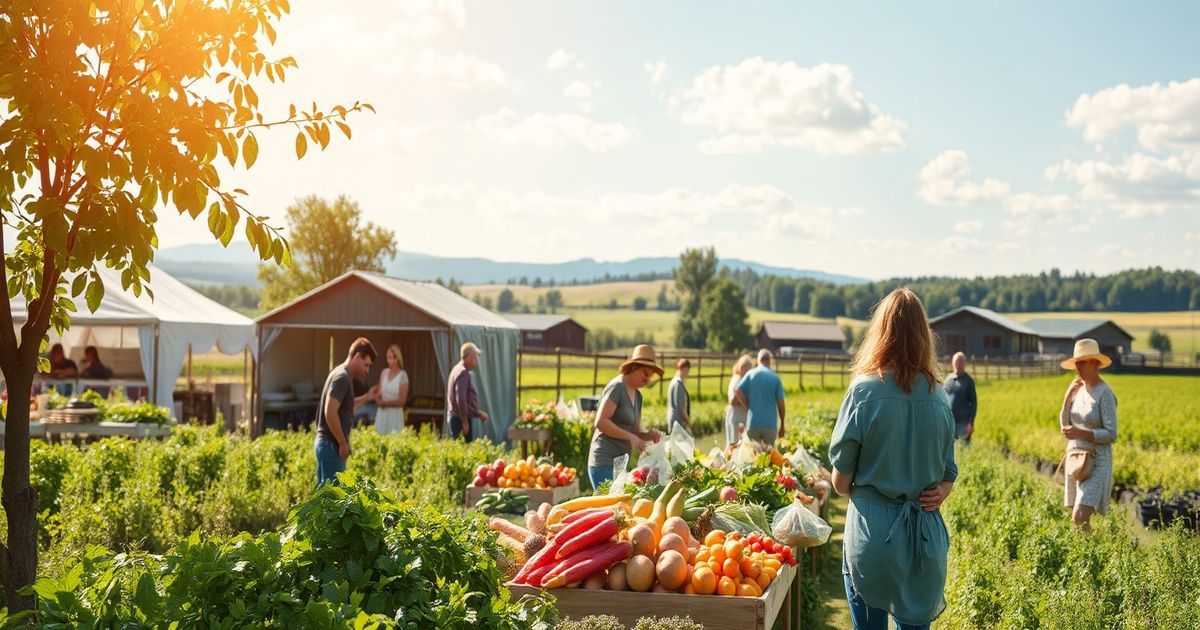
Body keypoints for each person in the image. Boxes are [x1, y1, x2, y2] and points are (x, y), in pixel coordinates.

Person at [829, 288, 957, 630]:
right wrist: (940, 490)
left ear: (881, 332)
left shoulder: (864, 391)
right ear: (922, 335)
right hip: (923, 540)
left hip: (874, 538)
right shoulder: (940, 396)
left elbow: (841, 484)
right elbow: (948, 474)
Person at [1059, 338, 1118, 533]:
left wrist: (1082, 433)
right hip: (1077, 459)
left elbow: (1111, 433)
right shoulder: (1078, 390)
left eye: (1082, 362)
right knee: (1076, 518)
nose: (1078, 367)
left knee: (1080, 515)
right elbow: (1064, 426)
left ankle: (1092, 556)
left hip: (1097, 460)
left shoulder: (1105, 393)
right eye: (1077, 363)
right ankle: (1089, 554)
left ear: (1095, 363)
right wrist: (1068, 397)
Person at [586, 344, 664, 489]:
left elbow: (634, 431)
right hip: (604, 461)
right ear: (634, 367)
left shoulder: (638, 396)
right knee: (610, 509)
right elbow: (601, 421)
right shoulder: (617, 387)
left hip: (621, 464)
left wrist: (649, 435)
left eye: (651, 376)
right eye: (646, 373)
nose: (648, 380)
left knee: (619, 509)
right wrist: (630, 437)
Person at [314, 337, 377, 486]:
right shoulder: (342, 377)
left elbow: (345, 408)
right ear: (356, 357)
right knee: (333, 501)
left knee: (324, 498)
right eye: (366, 365)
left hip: (327, 444)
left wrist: (367, 397)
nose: (366, 370)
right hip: (331, 445)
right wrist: (342, 443)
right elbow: (330, 410)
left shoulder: (341, 374)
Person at [735, 349, 786, 446]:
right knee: (768, 456)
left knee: (753, 456)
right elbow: (781, 403)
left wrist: (747, 406)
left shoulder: (751, 374)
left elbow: (737, 391)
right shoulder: (775, 377)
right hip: (770, 425)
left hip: (753, 423)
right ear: (769, 361)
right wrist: (782, 424)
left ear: (759, 360)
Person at [448, 342, 489, 442]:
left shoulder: (456, 369)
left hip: (457, 418)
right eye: (475, 356)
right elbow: (461, 399)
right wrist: (465, 421)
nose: (476, 359)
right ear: (469, 356)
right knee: (463, 452)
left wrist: (478, 413)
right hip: (459, 420)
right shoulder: (462, 372)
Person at [374, 344, 410, 435]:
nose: (390, 360)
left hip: (395, 415)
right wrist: (376, 399)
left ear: (397, 358)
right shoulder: (384, 373)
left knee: (394, 441)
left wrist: (385, 403)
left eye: (392, 358)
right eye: (388, 357)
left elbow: (402, 401)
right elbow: (378, 393)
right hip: (382, 415)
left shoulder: (403, 375)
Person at [942, 352, 976, 443]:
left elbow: (974, 403)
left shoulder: (969, 381)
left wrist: (970, 423)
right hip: (949, 423)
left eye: (960, 362)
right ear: (953, 363)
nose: (958, 364)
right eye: (956, 362)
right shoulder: (949, 379)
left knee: (963, 449)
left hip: (963, 423)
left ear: (964, 364)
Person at [724, 354, 753, 447]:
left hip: (744, 417)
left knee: (744, 446)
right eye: (743, 366)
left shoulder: (748, 381)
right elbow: (733, 400)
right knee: (734, 444)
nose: (746, 369)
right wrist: (746, 404)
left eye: (748, 367)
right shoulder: (736, 379)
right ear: (739, 367)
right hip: (736, 416)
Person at [666, 358, 692, 435]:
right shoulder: (678, 383)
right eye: (688, 370)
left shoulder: (674, 381)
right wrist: (687, 421)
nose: (688, 373)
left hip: (674, 419)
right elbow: (680, 406)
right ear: (684, 369)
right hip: (677, 421)